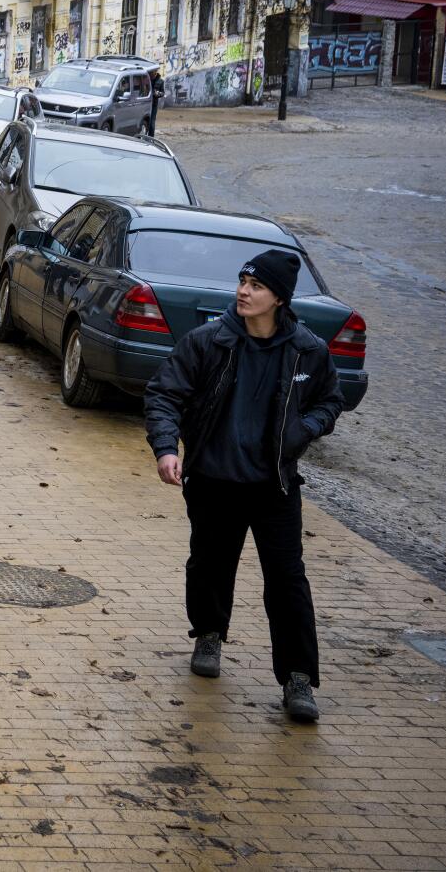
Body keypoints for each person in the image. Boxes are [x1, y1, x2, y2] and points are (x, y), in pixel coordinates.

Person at [144, 248, 345, 724]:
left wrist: (306, 428)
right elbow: (164, 393)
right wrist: (166, 447)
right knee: (211, 563)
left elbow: (331, 400)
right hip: (214, 478)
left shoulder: (307, 351)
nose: (243, 292)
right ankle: (209, 634)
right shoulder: (208, 342)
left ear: (279, 298)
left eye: (255, 286)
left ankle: (298, 678)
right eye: (242, 282)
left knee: (288, 580)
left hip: (274, 484)